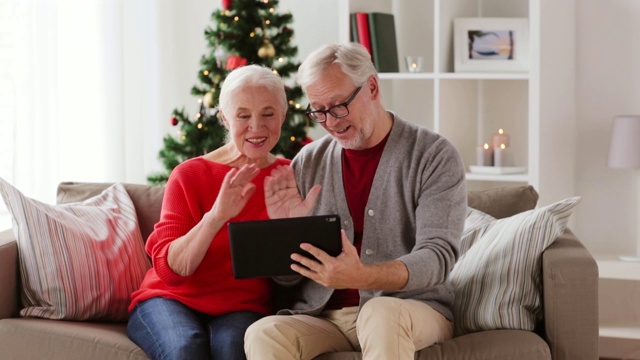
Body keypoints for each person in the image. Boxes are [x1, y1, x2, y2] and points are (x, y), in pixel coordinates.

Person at [245, 42, 468, 360]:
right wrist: (284, 236)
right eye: (318, 111)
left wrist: (361, 276)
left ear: (373, 87)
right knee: (263, 333)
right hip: (325, 318)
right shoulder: (309, 161)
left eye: (338, 106)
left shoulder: (433, 155)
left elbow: (437, 257)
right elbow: (290, 278)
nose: (331, 122)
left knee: (381, 312)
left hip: (411, 310)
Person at [127, 64, 294, 360]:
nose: (257, 127)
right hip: (170, 300)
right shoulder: (190, 174)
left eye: (268, 114)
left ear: (282, 116)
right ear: (225, 119)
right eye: (243, 116)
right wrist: (216, 216)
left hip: (243, 306)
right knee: (185, 348)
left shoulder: (289, 177)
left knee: (232, 350)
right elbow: (169, 272)